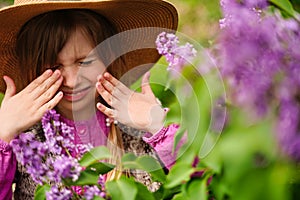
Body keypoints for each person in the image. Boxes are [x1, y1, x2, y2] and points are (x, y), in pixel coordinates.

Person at [0, 0, 184, 199]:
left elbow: (204, 182)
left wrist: (158, 126)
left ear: (110, 56)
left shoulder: (139, 123)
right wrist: (3, 134)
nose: (72, 81)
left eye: (85, 61)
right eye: (53, 67)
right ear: (32, 69)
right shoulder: (22, 138)